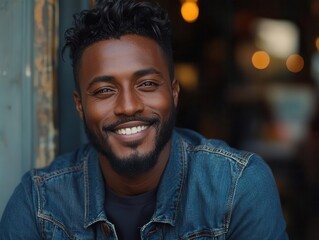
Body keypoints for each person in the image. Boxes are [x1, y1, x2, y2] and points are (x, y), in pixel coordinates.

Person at [0, 0, 289, 239]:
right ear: (80, 106)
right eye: (104, 90)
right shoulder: (38, 206)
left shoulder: (237, 188)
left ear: (174, 93)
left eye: (147, 84)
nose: (128, 106)